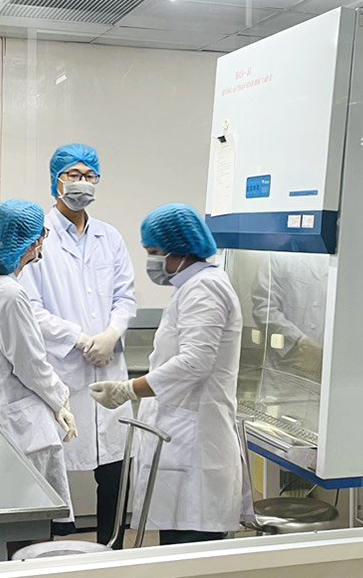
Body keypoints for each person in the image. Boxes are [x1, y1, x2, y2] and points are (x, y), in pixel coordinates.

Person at [89, 203, 243, 545]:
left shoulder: (205, 289)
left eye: (155, 252)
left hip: (195, 444)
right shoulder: (191, 286)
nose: (152, 262)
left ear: (181, 249)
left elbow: (195, 362)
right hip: (182, 440)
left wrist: (129, 389)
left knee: (191, 549)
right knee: (175, 544)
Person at [19, 143, 137, 546]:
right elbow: (30, 307)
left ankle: (112, 552)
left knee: (114, 471)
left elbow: (125, 296)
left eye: (89, 176)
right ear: (56, 180)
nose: (82, 183)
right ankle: (56, 556)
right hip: (62, 369)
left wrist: (111, 334)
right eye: (74, 175)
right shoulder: (39, 237)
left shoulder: (110, 237)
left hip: (109, 366)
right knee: (57, 472)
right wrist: (80, 338)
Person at [0, 200, 78, 522]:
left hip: (4, 416)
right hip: (25, 427)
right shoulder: (10, 295)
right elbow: (31, 364)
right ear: (30, 244)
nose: (42, 242)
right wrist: (61, 400)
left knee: (15, 516)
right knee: (34, 519)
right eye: (41, 235)